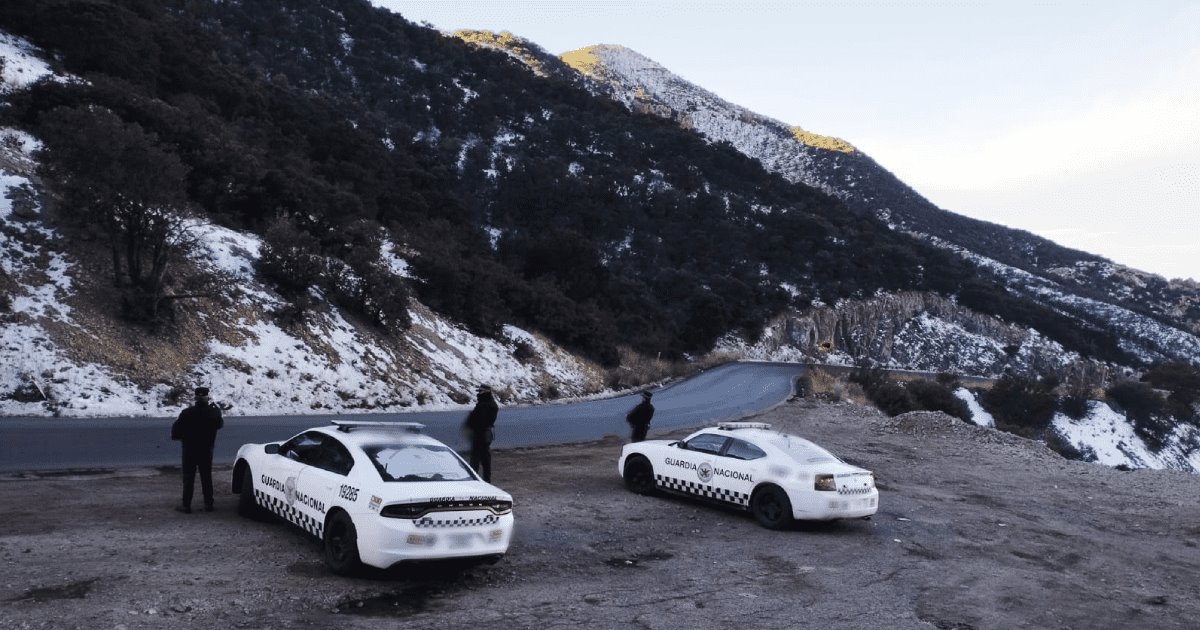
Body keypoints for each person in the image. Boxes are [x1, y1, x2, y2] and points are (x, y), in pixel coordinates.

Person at [170, 386, 224, 513]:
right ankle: (208, 504)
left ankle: (186, 505)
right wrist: (217, 411)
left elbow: (176, 432)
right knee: (206, 476)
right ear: (207, 397)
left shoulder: (187, 413)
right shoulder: (213, 413)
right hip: (206, 449)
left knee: (188, 477)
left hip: (189, 449)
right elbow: (220, 424)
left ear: (195, 398)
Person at [463, 384, 499, 482]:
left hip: (482, 435)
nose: (478, 393)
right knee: (483, 459)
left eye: (480, 391)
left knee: (478, 460)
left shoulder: (487, 405)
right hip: (482, 435)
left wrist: (472, 424)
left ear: (486, 392)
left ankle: (477, 481)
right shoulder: (484, 403)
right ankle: (484, 480)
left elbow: (482, 420)